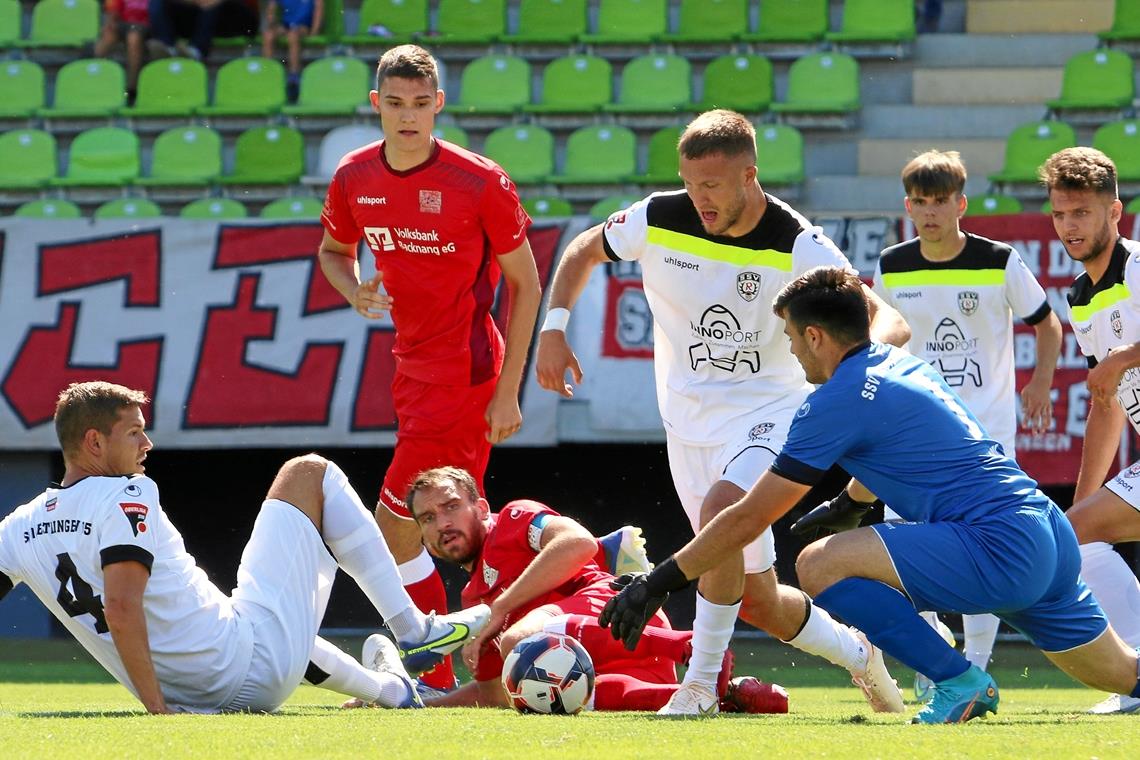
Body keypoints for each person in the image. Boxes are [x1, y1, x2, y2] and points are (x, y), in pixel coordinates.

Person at [600, 266, 1140, 724]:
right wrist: (851, 503)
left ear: (815, 336)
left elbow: (745, 520)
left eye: (790, 338)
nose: (791, 352)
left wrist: (658, 582)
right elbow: (908, 447)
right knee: (1130, 675)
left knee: (816, 566)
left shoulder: (832, 402)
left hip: (998, 547)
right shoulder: (896, 359)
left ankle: (958, 681)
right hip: (1047, 534)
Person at [535, 109, 911, 716]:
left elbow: (886, 320)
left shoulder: (799, 242)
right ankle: (858, 654)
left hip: (773, 411)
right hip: (686, 422)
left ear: (749, 176)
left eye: (712, 185)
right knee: (757, 597)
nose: (699, 198)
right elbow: (583, 250)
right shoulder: (660, 216)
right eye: (691, 183)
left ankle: (700, 688)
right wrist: (554, 329)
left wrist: (859, 368)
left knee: (721, 511)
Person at [0, 381, 491, 713]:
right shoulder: (128, 491)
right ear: (94, 443)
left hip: (200, 690)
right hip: (242, 668)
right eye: (133, 432)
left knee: (261, 614)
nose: (146, 443)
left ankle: (394, 692)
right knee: (310, 473)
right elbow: (122, 606)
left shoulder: (17, 528)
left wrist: (164, 703)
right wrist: (156, 714)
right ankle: (413, 629)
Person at [319, 44, 542, 691]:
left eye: (420, 104)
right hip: (411, 370)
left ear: (438, 105)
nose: (408, 117)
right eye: (395, 104)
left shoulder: (480, 181)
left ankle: (439, 666)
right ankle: (526, 633)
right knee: (464, 527)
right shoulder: (355, 175)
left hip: (466, 375)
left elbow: (525, 285)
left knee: (398, 529)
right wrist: (355, 287)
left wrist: (508, 392)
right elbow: (334, 251)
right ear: (376, 106)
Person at [871, 149, 1062, 697]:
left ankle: (975, 665)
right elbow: (876, 343)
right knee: (900, 552)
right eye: (921, 203)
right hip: (909, 438)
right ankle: (936, 661)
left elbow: (1047, 326)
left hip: (986, 435)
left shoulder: (999, 260)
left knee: (987, 551)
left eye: (941, 202)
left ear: (962, 204)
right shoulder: (891, 265)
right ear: (909, 206)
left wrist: (1043, 382)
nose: (930, 212)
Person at [396, 465, 786, 714]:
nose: (441, 523)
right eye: (428, 518)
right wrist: (416, 702)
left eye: (450, 507)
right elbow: (496, 692)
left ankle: (692, 647)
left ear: (480, 508)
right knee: (540, 688)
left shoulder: (513, 519)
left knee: (519, 640)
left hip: (622, 618)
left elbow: (580, 543)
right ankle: (728, 696)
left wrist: (502, 609)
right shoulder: (472, 600)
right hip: (616, 668)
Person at [1041, 146, 1140, 714]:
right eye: (1060, 214)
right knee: (1069, 538)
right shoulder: (1080, 298)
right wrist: (1080, 508)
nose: (1069, 226)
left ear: (1114, 213)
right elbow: (1106, 406)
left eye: (1081, 212)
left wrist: (1124, 356)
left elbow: (1115, 371)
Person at [261, 0, 323, 103]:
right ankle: (267, 74)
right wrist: (273, 23)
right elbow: (271, 9)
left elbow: (319, 9)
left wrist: (314, 33)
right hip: (286, 26)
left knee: (293, 36)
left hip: (303, 26)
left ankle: (293, 76)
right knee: (268, 36)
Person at [94, 0, 150, 105]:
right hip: (124, 24)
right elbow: (114, 9)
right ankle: (90, 78)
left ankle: (131, 89)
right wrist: (111, 22)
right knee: (108, 36)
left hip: (144, 25)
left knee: (133, 39)